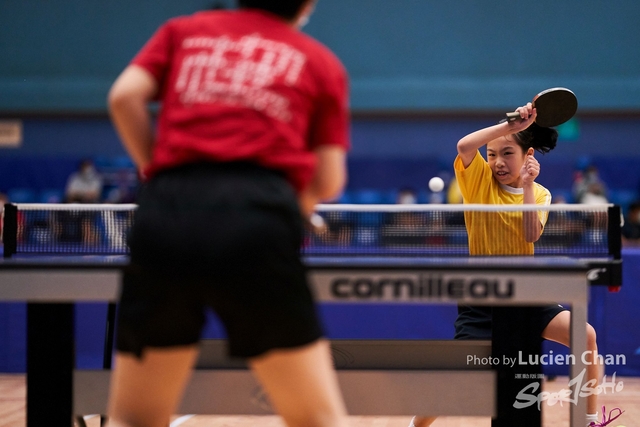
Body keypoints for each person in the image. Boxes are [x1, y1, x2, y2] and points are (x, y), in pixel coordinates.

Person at [106, 1, 350, 426]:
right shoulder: (319, 60)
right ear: (308, 3)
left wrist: (159, 171)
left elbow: (124, 97)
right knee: (316, 418)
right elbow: (329, 180)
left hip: (167, 208)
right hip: (257, 216)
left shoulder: (183, 31)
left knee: (135, 418)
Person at [410, 104, 601, 427]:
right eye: (493, 153)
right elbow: (464, 146)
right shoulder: (478, 180)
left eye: (507, 153)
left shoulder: (539, 193)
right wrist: (508, 127)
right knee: (458, 376)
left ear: (528, 155)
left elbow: (530, 233)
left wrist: (526, 185)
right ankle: (417, 424)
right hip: (483, 293)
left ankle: (592, 420)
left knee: (586, 336)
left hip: (525, 290)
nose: (497, 162)